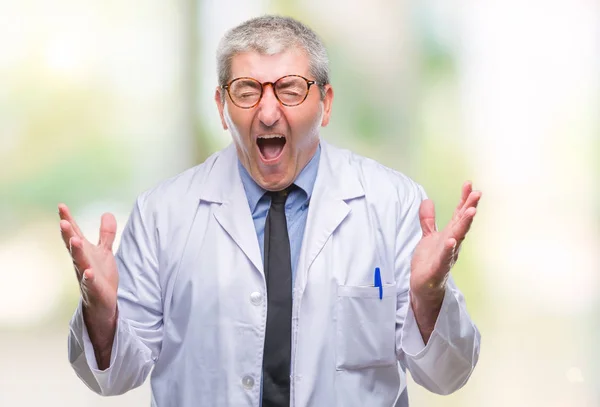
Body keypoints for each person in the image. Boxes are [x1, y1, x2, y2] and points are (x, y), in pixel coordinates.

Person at [59, 15, 481, 407]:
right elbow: (113, 378)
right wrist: (102, 313)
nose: (267, 111)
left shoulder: (393, 203)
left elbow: (447, 374)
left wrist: (429, 297)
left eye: (290, 88)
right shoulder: (162, 214)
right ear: (223, 107)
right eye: (246, 90)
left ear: (326, 103)